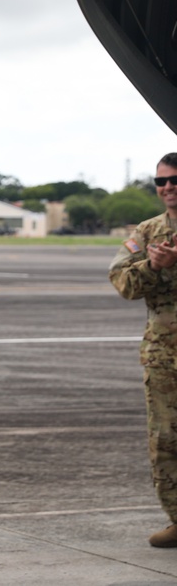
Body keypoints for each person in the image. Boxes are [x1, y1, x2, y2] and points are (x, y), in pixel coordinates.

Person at [110, 152, 177, 548]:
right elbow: (121, 281)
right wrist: (153, 268)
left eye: (175, 180)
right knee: (165, 439)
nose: (167, 187)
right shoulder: (149, 231)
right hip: (164, 356)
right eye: (161, 181)